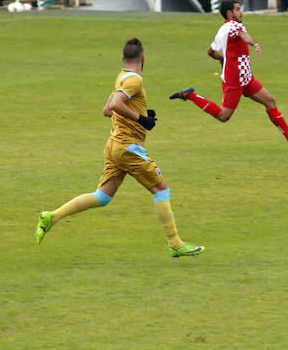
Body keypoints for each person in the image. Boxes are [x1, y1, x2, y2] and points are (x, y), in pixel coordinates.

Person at [35, 38, 204, 259]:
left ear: (123, 59)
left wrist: (138, 113)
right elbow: (114, 106)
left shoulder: (121, 77)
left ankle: (52, 216)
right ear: (143, 58)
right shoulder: (134, 80)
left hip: (114, 144)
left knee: (102, 197)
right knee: (161, 189)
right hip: (128, 147)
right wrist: (141, 119)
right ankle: (175, 244)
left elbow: (108, 110)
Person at [168, 0, 288, 146]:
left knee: (270, 101)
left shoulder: (222, 29)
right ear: (230, 13)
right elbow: (242, 35)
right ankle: (191, 95)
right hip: (234, 80)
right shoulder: (235, 26)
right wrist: (254, 43)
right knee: (223, 116)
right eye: (237, 9)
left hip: (246, 77)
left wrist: (223, 59)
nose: (240, 12)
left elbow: (210, 52)